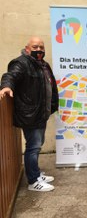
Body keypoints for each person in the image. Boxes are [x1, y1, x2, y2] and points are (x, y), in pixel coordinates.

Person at [0, 37, 59, 192]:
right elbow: (10, 75)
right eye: (35, 46)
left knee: (37, 146)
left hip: (41, 113)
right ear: (27, 48)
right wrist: (6, 86)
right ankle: (33, 181)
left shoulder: (43, 65)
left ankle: (36, 173)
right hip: (30, 115)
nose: (39, 49)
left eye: (41, 47)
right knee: (33, 147)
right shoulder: (21, 63)